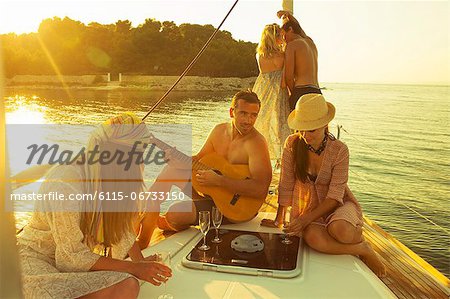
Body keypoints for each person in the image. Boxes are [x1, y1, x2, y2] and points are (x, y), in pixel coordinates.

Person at [17, 112, 172, 299]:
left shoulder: (109, 178)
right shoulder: (65, 182)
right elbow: (71, 256)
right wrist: (133, 267)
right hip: (36, 262)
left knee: (127, 285)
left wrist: (140, 263)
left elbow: (120, 226)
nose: (140, 163)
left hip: (76, 266)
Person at [261, 94, 386, 278]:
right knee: (312, 238)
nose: (305, 135)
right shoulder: (292, 144)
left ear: (325, 126)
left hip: (339, 204)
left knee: (340, 230)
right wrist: (279, 219)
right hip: (309, 208)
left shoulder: (340, 150)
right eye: (301, 129)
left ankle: (358, 238)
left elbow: (335, 196)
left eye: (311, 130)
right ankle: (360, 248)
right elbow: (286, 183)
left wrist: (304, 220)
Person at [139, 90, 272, 240]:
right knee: (171, 170)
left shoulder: (257, 143)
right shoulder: (219, 131)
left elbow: (260, 189)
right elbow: (198, 160)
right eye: (243, 113)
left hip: (237, 209)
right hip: (211, 193)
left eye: (253, 115)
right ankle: (143, 237)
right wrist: (176, 160)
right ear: (231, 112)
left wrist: (219, 181)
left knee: (175, 214)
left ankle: (171, 221)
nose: (248, 120)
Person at [253, 23, 290, 163]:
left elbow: (265, 73)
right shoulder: (283, 54)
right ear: (274, 37)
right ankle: (282, 159)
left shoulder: (260, 55)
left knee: (262, 123)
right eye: (279, 35)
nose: (282, 37)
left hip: (263, 89)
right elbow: (283, 76)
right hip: (279, 90)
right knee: (282, 124)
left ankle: (261, 156)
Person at [277, 10, 322, 111]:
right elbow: (299, 29)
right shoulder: (310, 42)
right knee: (317, 124)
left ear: (290, 29)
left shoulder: (292, 45)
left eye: (283, 35)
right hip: (317, 91)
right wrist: (289, 16)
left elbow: (288, 77)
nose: (284, 40)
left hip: (302, 90)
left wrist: (294, 93)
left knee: (298, 126)